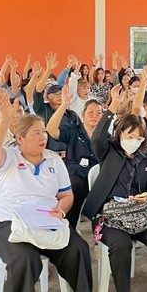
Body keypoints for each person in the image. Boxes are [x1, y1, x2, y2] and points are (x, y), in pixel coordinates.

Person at [0, 89, 92, 292]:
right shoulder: (9, 157)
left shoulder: (54, 159)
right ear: (20, 139)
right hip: (9, 223)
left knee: (78, 249)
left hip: (47, 221)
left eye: (43, 132)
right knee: (25, 259)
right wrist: (4, 120)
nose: (43, 137)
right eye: (36, 133)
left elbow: (66, 195)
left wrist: (61, 210)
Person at [82, 83, 147, 292]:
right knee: (120, 245)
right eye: (130, 137)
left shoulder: (146, 157)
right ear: (120, 134)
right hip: (110, 215)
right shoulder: (108, 151)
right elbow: (97, 137)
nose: (134, 141)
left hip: (139, 212)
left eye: (139, 138)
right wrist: (112, 107)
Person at [46, 92, 101, 229]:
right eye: (91, 112)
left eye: (99, 113)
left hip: (97, 177)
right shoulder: (73, 130)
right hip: (75, 175)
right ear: (83, 114)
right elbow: (51, 130)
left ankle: (100, 230)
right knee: (74, 188)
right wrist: (64, 105)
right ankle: (69, 227)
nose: (94, 116)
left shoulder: (104, 136)